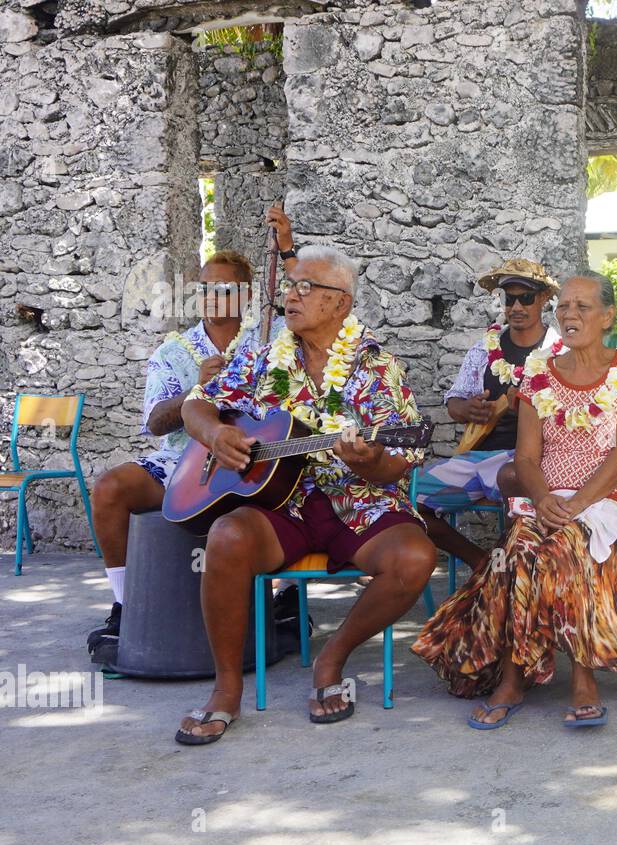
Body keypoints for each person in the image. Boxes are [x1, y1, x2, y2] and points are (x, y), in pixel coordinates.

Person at [173, 246, 437, 743]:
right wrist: (215, 436)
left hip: (357, 501)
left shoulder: (378, 366)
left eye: (305, 288)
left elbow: (400, 458)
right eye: (290, 286)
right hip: (280, 503)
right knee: (226, 537)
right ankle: (226, 690)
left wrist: (370, 459)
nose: (290, 296)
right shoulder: (260, 353)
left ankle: (331, 659)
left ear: (340, 303)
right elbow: (197, 406)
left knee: (414, 556)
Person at [410, 271, 617, 728]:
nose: (570, 314)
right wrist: (543, 498)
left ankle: (580, 678)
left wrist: (576, 506)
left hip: (606, 508)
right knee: (520, 546)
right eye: (565, 307)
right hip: (547, 501)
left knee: (563, 544)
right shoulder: (538, 376)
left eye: (583, 306)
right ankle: (514, 679)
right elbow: (526, 457)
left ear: (608, 315)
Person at [85, 251, 273, 663]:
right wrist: (196, 391)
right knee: (110, 489)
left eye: (223, 288)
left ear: (245, 296)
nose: (211, 296)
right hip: (183, 460)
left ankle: (285, 603)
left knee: (296, 479)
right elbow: (155, 422)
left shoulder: (270, 341)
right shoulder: (173, 352)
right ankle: (125, 607)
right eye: (204, 288)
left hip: (255, 455)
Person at [417, 259, 564, 570]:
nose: (516, 306)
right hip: (478, 459)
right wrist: (466, 409)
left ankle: (521, 567)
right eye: (509, 298)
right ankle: (482, 563)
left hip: (534, 461)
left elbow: (569, 416)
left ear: (543, 299)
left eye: (525, 298)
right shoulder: (484, 349)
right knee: (409, 500)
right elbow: (454, 401)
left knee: (514, 477)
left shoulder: (560, 352)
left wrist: (530, 409)